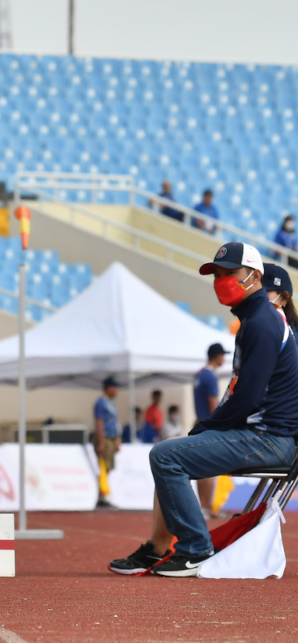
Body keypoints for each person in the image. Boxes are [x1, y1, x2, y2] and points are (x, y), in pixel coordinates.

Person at [110, 242, 298, 577]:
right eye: (217, 275)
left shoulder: (263, 323)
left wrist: (209, 426)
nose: (221, 281)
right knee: (171, 454)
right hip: (265, 434)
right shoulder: (256, 319)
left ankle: (195, 548)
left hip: (267, 438)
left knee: (167, 456)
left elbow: (249, 398)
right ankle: (158, 547)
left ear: (255, 276)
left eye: (230, 274)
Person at [193, 342, 227, 516]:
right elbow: (212, 403)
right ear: (218, 356)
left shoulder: (199, 374)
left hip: (199, 421)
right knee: (209, 467)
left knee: (200, 467)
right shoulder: (210, 376)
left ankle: (204, 506)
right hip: (209, 422)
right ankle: (207, 507)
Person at [93, 377, 121, 496]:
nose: (116, 391)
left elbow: (114, 422)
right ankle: (101, 494)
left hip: (111, 438)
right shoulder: (101, 402)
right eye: (115, 387)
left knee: (108, 466)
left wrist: (117, 439)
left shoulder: (111, 403)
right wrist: (101, 442)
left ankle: (103, 492)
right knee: (103, 466)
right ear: (108, 388)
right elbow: (99, 422)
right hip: (105, 438)